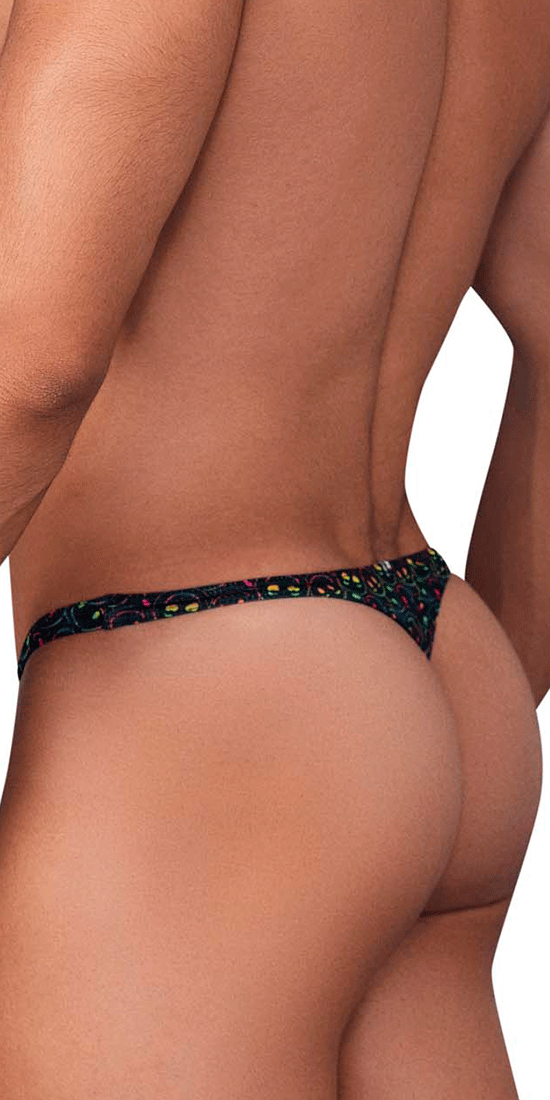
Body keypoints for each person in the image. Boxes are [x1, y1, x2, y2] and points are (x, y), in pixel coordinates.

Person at [0, 0, 547, 1095]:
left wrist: (312, 730)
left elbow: (31, 357)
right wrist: (421, 722)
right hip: (434, 658)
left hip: (200, 704)